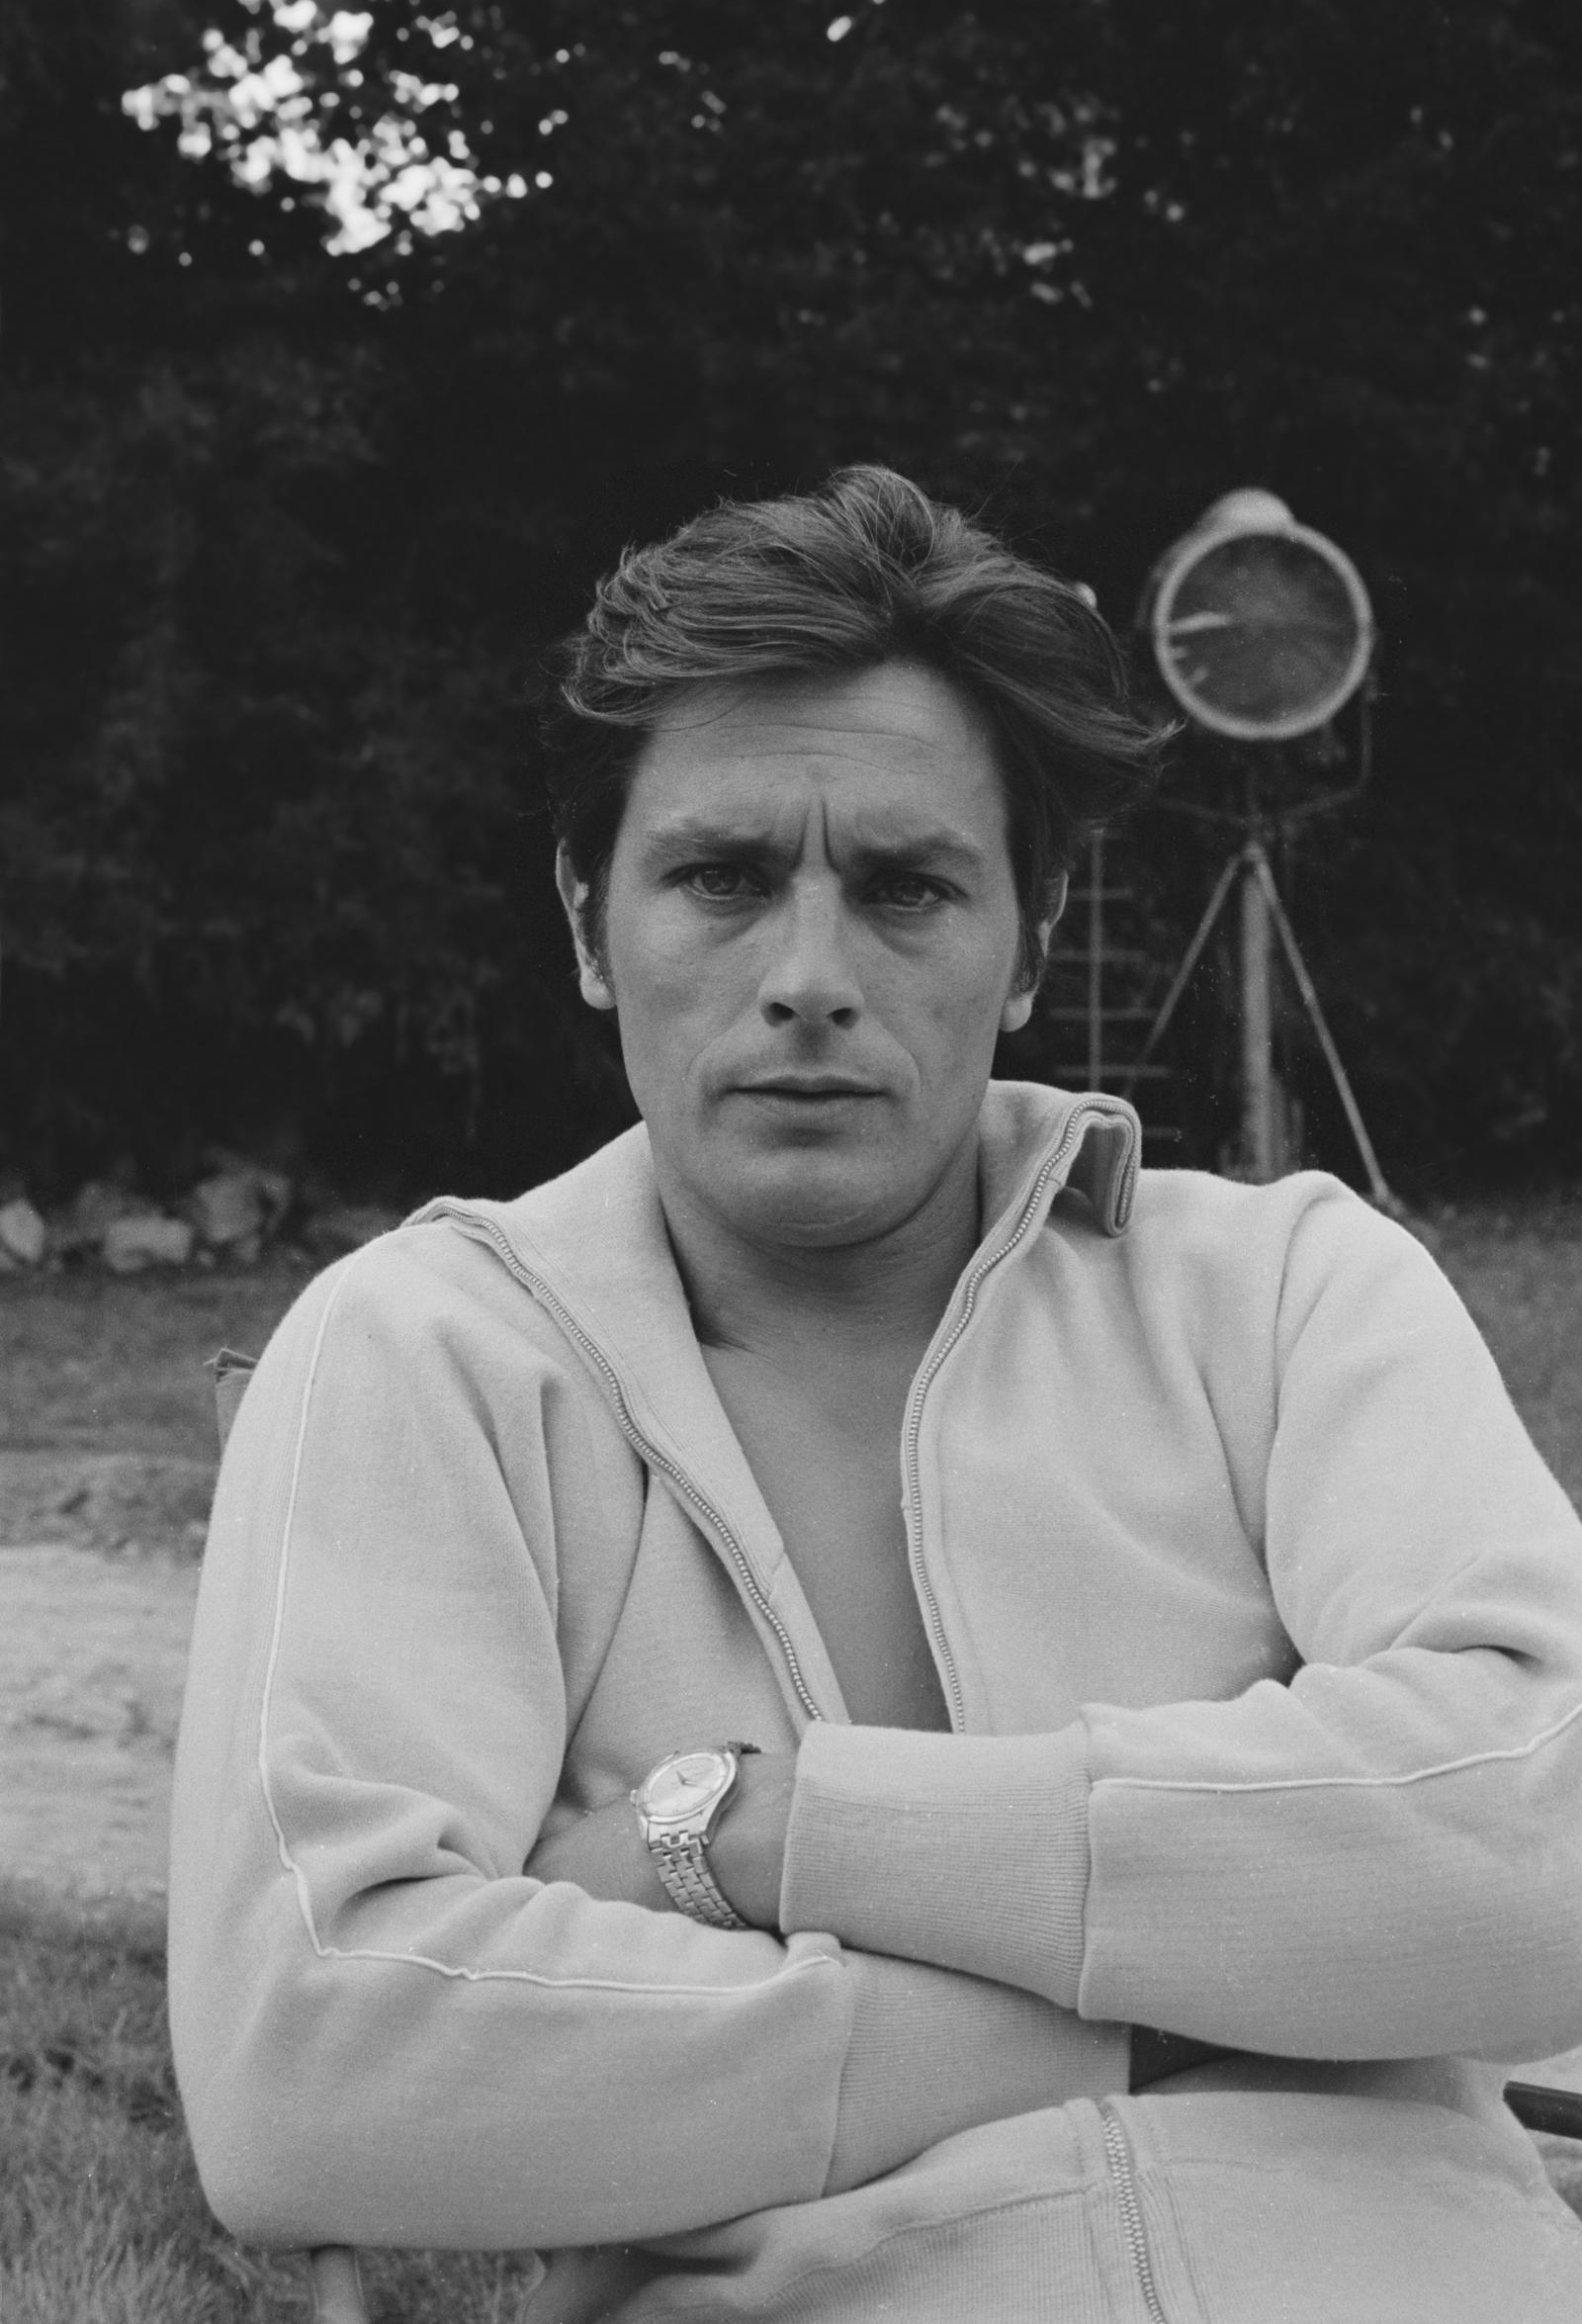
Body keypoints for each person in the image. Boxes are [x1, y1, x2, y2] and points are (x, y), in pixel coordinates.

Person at [169, 466, 1582, 2322]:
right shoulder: (430, 1355)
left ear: (1034, 942)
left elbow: (1547, 1841)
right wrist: (1183, 2002)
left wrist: (749, 1829)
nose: (811, 979)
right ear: (594, 927)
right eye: (723, 880)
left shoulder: (1290, 1290)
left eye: (907, 887)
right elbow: (312, 2066)